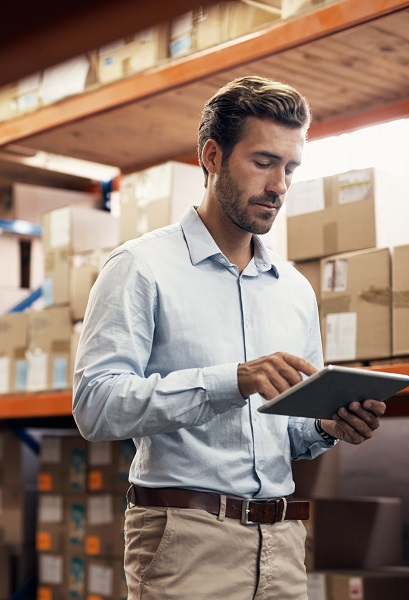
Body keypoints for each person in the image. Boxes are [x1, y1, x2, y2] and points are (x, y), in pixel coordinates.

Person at [73, 75, 386, 600]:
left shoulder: (294, 290)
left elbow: (291, 431)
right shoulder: (141, 267)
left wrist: (328, 425)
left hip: (283, 544)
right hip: (185, 541)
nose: (279, 185)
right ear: (213, 156)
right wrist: (232, 381)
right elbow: (95, 406)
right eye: (263, 162)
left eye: (290, 168)